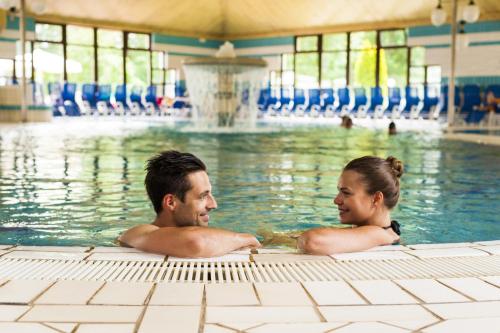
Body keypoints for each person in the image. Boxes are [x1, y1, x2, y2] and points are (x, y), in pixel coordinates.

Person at [118, 150, 261, 257]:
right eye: (203, 196)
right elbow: (195, 243)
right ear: (171, 202)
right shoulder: (137, 234)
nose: (213, 204)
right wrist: (246, 238)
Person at [298, 156, 403, 255]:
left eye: (346, 193)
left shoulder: (378, 234)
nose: (336, 200)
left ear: (376, 198)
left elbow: (311, 242)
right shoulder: (382, 232)